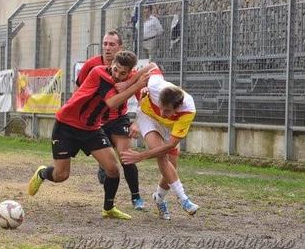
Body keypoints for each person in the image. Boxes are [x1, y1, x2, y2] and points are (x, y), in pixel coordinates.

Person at [28, 51, 150, 220]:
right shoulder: (99, 73)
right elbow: (112, 102)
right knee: (61, 175)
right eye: (115, 69)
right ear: (111, 64)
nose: (117, 75)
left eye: (123, 73)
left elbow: (152, 67)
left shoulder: (126, 78)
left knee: (113, 169)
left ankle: (108, 208)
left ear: (130, 72)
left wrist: (131, 81)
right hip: (66, 126)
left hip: (91, 129)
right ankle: (42, 173)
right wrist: (135, 85)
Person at [76, 30, 146, 210]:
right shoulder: (91, 65)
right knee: (109, 165)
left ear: (119, 47)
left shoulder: (131, 72)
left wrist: (137, 122)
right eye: (105, 43)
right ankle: (104, 167)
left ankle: (136, 197)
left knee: (126, 156)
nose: (107, 48)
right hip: (95, 121)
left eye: (112, 44)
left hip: (118, 119)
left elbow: (142, 99)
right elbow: (79, 90)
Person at [121, 64, 199, 220]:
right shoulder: (156, 85)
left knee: (171, 166)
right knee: (162, 156)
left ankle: (159, 198)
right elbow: (152, 65)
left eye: (167, 111)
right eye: (161, 107)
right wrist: (128, 84)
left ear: (178, 108)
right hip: (147, 117)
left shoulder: (188, 110)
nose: (162, 112)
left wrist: (140, 156)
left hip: (166, 126)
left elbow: (170, 145)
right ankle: (183, 199)